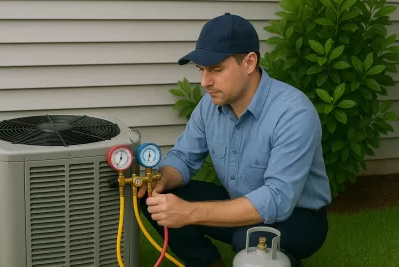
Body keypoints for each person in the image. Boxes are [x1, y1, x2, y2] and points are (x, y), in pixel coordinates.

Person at [138, 12, 332, 267]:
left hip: (299, 216)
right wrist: (162, 178)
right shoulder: (209, 106)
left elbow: (277, 199)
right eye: (202, 70)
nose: (205, 82)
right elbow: (183, 157)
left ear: (249, 63)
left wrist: (189, 212)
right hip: (238, 203)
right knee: (155, 198)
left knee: (249, 239)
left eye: (216, 69)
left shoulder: (293, 113)